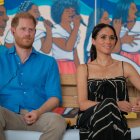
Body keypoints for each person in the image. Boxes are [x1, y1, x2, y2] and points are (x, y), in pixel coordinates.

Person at [0, 12, 66, 140]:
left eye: (31, 30)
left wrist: (38, 112)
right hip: (8, 115)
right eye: (23, 29)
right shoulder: (1, 60)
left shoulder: (48, 62)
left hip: (38, 116)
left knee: (58, 122)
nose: (27, 33)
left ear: (35, 32)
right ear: (13, 31)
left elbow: (55, 98)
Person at [76, 23, 140, 140]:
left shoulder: (124, 66)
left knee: (111, 119)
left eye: (112, 38)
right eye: (103, 37)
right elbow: (83, 104)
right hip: (89, 118)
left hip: (116, 120)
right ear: (93, 41)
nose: (108, 41)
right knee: (109, 104)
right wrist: (115, 104)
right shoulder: (83, 68)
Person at [50, 0, 81, 74]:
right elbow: (68, 48)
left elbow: (74, 53)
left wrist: (80, 71)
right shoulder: (55, 30)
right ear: (59, 13)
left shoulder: (73, 30)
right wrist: (76, 27)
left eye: (73, 11)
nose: (71, 13)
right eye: (67, 11)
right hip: (59, 65)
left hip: (72, 65)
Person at [112, 0, 140, 66]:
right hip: (120, 58)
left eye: (136, 8)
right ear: (124, 10)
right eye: (133, 8)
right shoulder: (115, 25)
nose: (136, 10)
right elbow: (111, 49)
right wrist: (121, 40)